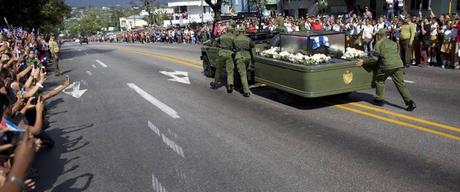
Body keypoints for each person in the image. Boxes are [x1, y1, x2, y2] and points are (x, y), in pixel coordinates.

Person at [356, 29, 416, 111]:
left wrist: (364, 61)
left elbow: (374, 59)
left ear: (379, 36)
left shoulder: (378, 44)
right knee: (400, 84)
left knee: (379, 80)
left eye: (376, 35)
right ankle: (410, 102)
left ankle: (379, 99)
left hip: (387, 65)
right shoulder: (393, 43)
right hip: (398, 64)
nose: (376, 37)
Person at [210, 24, 236, 93]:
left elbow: (215, 44)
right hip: (229, 54)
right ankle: (230, 85)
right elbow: (235, 46)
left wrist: (220, 45)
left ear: (227, 30)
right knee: (230, 71)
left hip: (221, 53)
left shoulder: (222, 36)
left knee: (218, 70)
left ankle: (215, 83)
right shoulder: (233, 37)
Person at [233, 28, 254, 97]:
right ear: (244, 32)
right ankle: (243, 87)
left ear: (239, 32)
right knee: (245, 72)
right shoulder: (248, 39)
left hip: (239, 56)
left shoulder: (235, 39)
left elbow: (232, 47)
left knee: (243, 74)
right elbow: (252, 45)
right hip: (247, 56)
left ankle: (246, 91)